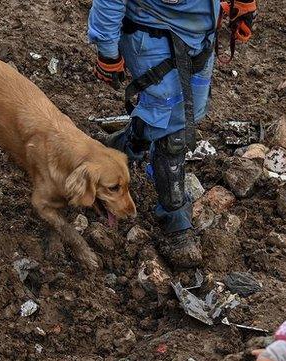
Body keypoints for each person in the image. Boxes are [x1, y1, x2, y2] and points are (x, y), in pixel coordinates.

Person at [87, 0, 256, 267]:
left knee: (188, 113)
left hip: (200, 31)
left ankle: (125, 145)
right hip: (153, 32)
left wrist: (243, 5)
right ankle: (174, 217)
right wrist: (108, 51)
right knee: (173, 132)